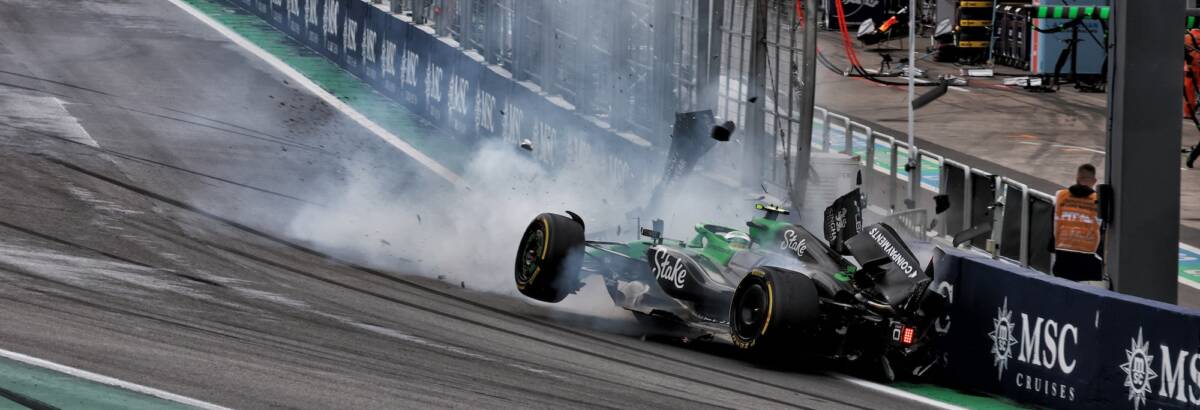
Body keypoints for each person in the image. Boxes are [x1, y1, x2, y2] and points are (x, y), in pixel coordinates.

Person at [1051, 164, 1103, 282]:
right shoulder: (1098, 200)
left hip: (1062, 258)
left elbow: (1053, 224)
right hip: (1087, 259)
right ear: (1094, 181)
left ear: (1077, 178)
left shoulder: (1061, 196)